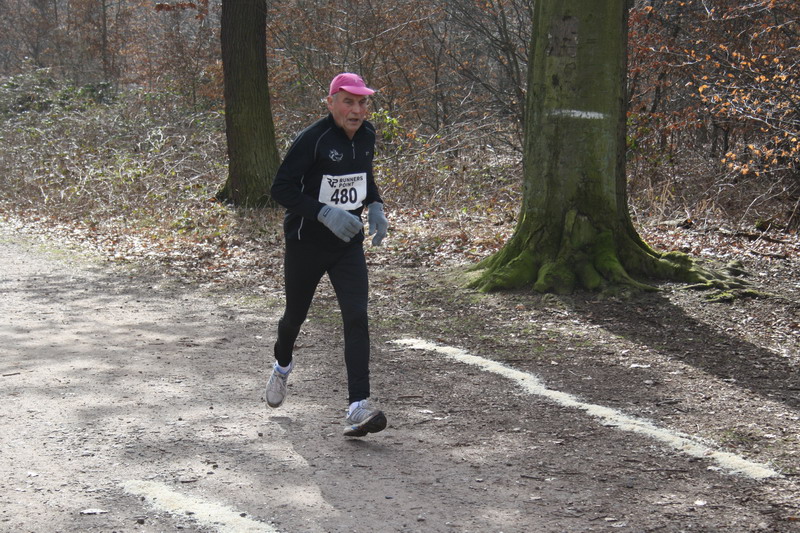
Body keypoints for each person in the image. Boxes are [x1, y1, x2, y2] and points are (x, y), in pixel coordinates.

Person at [266, 73, 389, 438]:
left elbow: (363, 177)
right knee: (294, 317)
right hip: (306, 243)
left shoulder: (367, 136)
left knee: (356, 316)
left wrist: (376, 204)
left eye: (362, 102)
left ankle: (357, 406)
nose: (357, 110)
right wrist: (323, 213)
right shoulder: (313, 139)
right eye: (348, 102)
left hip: (347, 245)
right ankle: (282, 366)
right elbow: (281, 188)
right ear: (331, 102)